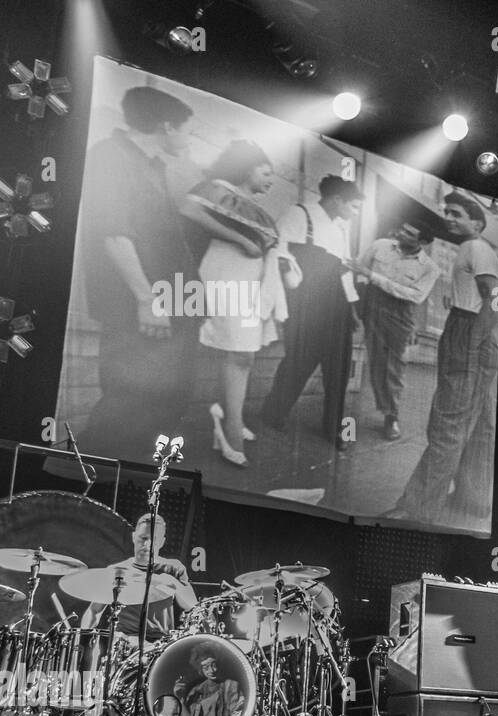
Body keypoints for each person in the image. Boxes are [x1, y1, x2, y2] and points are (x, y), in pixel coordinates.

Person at [80, 86, 202, 460]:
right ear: (167, 126)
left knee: (163, 402)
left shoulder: (153, 164)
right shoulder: (110, 156)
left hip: (170, 304)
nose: (188, 137)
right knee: (126, 405)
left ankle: (137, 486)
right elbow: (114, 233)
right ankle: (78, 486)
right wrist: (148, 301)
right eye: (187, 129)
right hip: (139, 307)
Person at [180, 139, 296, 467]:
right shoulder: (218, 188)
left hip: (250, 276)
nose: (271, 179)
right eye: (266, 171)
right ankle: (230, 426)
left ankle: (227, 413)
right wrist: (241, 238)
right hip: (225, 272)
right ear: (247, 167)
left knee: (242, 350)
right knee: (241, 352)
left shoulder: (248, 202)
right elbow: (189, 210)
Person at [389, 193, 498, 526]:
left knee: (448, 427)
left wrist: (473, 341)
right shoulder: (475, 250)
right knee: (480, 425)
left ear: (476, 223)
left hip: (469, 331)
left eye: (456, 214)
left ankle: (415, 511)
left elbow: (496, 300)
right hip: (469, 329)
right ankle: (475, 501)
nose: (448, 218)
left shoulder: (477, 248)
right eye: (446, 212)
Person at [259, 174, 363, 449]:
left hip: (336, 302)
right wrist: (282, 302)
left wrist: (351, 308)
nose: (354, 213)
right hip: (305, 301)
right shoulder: (298, 214)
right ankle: (273, 413)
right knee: (299, 360)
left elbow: (343, 272)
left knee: (338, 366)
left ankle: (334, 428)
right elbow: (278, 255)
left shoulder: (340, 229)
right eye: (352, 206)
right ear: (337, 199)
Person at [355, 222, 437, 441]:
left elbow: (414, 296)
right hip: (368, 304)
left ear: (423, 242)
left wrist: (374, 277)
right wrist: (358, 302)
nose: (401, 233)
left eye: (410, 233)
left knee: (393, 368)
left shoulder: (429, 268)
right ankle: (350, 414)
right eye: (403, 228)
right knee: (371, 362)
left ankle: (391, 416)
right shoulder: (380, 245)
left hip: (399, 315)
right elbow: (359, 270)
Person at [87, 513, 199, 643]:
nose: (146, 544)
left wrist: (170, 583)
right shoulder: (117, 570)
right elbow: (94, 611)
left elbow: (193, 607)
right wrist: (81, 643)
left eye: (153, 540)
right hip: (123, 643)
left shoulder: (173, 568)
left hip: (160, 645)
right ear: (134, 537)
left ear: (162, 542)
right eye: (143, 538)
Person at [174, 646, 245, 716]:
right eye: (206, 667)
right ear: (200, 669)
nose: (212, 670)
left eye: (214, 665)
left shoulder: (232, 686)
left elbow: (238, 713)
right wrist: (180, 699)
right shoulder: (195, 691)